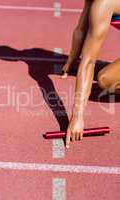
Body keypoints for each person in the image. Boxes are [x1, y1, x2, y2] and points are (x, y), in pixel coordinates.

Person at [62, 0, 120, 148]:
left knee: (106, 80)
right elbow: (81, 29)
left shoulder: (104, 3)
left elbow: (88, 62)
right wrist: (70, 62)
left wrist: (77, 117)